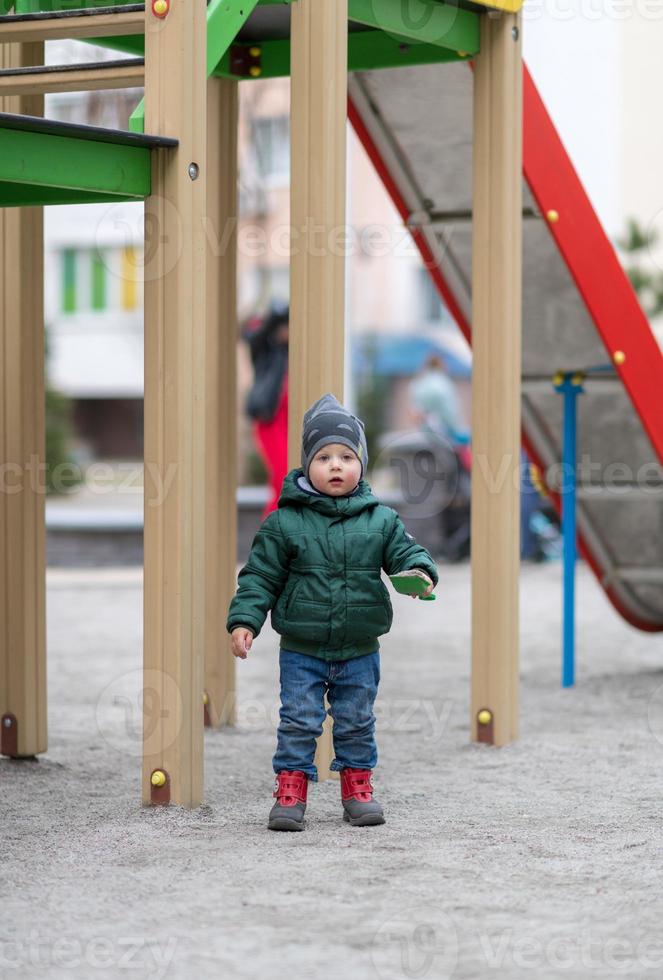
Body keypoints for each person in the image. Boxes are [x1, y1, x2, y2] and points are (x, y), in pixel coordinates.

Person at [226, 393, 439, 832]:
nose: (336, 465)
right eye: (323, 457)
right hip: (302, 647)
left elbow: (406, 553)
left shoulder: (380, 520)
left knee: (357, 719)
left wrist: (419, 572)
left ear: (361, 463)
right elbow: (260, 577)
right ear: (307, 465)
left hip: (360, 646)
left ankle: (357, 787)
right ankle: (291, 788)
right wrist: (245, 620)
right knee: (299, 720)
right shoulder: (284, 523)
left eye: (346, 456)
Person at [242, 302, 289, 520]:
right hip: (270, 421)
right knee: (282, 476)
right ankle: (272, 529)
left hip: (290, 422)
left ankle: (276, 529)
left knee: (285, 479)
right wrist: (276, 315)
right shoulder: (266, 350)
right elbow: (255, 336)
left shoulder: (291, 351)